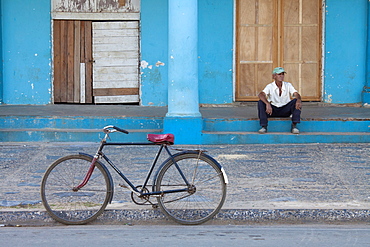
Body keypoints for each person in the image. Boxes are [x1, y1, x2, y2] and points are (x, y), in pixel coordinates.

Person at [257, 67, 302, 134]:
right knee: (260, 102)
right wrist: (267, 103)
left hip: (285, 110)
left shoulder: (288, 85)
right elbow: (261, 94)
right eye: (279, 74)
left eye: (282, 74)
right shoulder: (270, 86)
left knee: (296, 101)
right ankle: (264, 126)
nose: (281, 76)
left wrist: (298, 99)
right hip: (272, 111)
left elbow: (296, 93)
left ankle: (294, 126)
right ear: (274, 76)